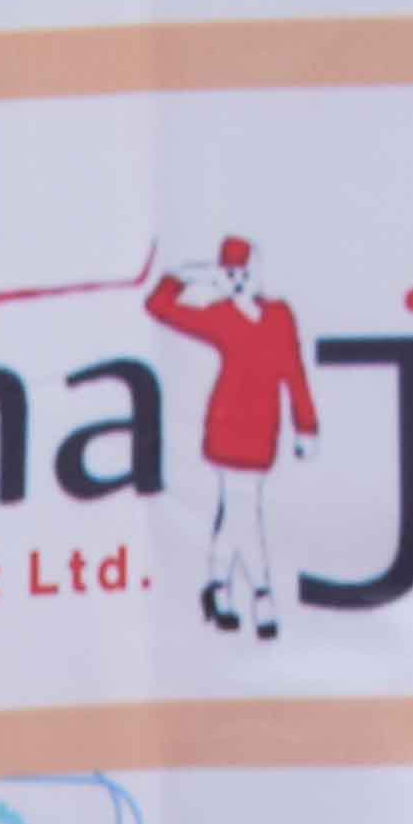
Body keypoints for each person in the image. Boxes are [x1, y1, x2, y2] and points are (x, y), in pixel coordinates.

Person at [146, 236, 323, 638]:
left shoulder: (281, 316)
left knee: (236, 512)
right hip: (227, 427)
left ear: (256, 270)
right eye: (230, 274)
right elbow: (158, 307)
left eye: (244, 273)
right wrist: (185, 275)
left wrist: (306, 424)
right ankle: (263, 597)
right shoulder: (220, 315)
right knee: (244, 511)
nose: (239, 281)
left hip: (264, 428)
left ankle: (218, 587)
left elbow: (294, 373)